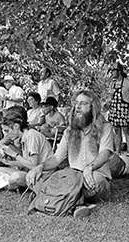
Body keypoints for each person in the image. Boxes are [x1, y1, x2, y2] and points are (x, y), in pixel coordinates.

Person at [26, 90, 114, 218]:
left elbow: (105, 154)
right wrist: (39, 167)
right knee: (35, 178)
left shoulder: (105, 127)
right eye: (76, 103)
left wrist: (90, 168)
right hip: (73, 178)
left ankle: (50, 197)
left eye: (83, 103)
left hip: (93, 178)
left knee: (96, 180)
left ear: (92, 107)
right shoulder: (69, 131)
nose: (77, 107)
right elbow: (56, 159)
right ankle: (75, 205)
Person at [0, 111, 53, 189]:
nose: (6, 135)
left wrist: (14, 154)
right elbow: (26, 163)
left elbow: (33, 165)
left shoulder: (32, 136)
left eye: (7, 131)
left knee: (15, 177)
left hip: (42, 175)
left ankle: (10, 184)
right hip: (31, 172)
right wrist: (6, 162)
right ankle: (11, 184)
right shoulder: (25, 137)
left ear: (16, 126)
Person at [108, 62, 129, 154]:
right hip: (114, 109)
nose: (112, 73)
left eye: (113, 71)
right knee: (116, 131)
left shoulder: (128, 82)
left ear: (119, 71)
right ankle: (117, 151)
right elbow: (110, 97)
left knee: (126, 130)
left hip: (125, 108)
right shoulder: (112, 84)